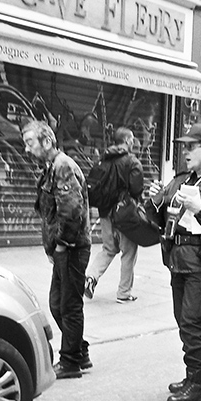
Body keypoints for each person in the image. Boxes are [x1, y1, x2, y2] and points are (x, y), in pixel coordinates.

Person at [146, 124, 201, 401]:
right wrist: (155, 197)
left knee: (193, 322)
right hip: (178, 260)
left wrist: (199, 207)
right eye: (185, 146)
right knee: (184, 321)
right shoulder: (182, 179)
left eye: (192, 147)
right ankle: (200, 375)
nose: (186, 151)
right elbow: (158, 215)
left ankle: (196, 386)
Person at [22, 120, 92, 379]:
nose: (27, 150)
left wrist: (62, 244)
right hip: (62, 249)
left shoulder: (63, 167)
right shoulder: (50, 168)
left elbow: (71, 210)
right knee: (57, 304)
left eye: (30, 143)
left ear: (47, 141)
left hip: (72, 248)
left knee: (69, 306)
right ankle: (80, 351)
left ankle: (71, 361)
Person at [84, 127, 144, 303]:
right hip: (124, 214)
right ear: (127, 140)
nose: (134, 142)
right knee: (129, 252)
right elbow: (136, 189)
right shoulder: (132, 162)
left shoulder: (103, 159)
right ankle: (124, 293)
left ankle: (91, 277)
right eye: (132, 139)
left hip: (105, 214)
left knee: (109, 249)